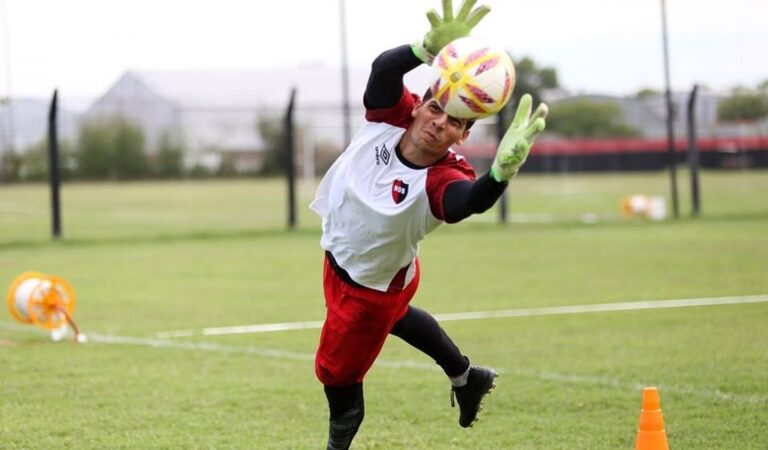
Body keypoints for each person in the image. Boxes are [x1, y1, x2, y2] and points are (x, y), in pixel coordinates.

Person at [310, 1, 548, 448]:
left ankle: (336, 444)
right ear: (421, 105)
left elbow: (464, 203)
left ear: (463, 136)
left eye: (455, 122)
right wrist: (424, 49)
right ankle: (466, 376)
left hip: (368, 289)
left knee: (336, 375)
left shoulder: (444, 174)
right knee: (398, 318)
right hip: (358, 263)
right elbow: (383, 71)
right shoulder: (391, 117)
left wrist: (500, 175)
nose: (438, 123)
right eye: (436, 109)